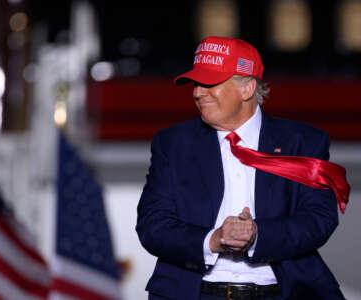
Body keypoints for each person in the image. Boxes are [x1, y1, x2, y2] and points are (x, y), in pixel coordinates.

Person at [136, 36, 347, 300]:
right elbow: (152, 225)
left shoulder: (302, 141)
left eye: (210, 83)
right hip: (195, 293)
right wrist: (212, 241)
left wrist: (259, 234)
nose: (197, 92)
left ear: (247, 89)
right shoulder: (173, 144)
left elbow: (319, 219)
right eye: (195, 84)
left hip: (283, 293)